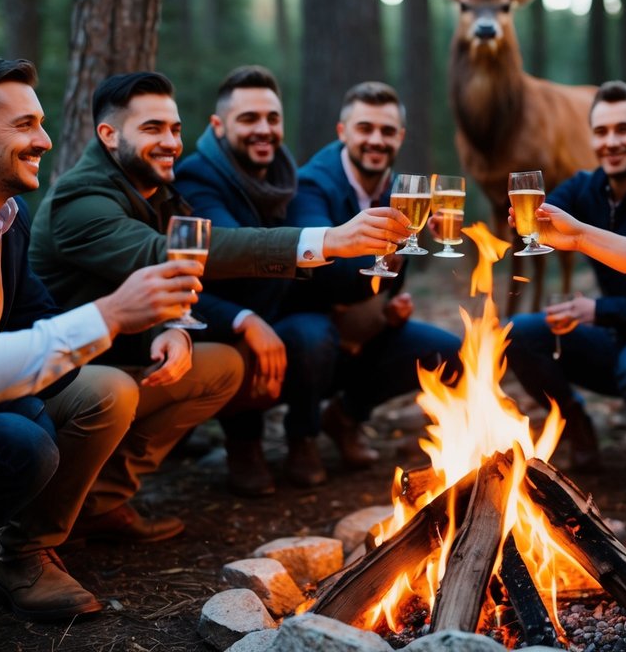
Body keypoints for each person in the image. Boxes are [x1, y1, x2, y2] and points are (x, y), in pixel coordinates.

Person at [0, 29, 203, 621]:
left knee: (108, 388)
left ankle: (35, 550)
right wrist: (111, 314)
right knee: (24, 437)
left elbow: (39, 311)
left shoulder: (10, 210)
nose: (45, 140)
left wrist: (141, 330)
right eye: (25, 125)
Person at [29, 74, 409, 529]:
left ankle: (102, 502)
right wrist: (325, 240)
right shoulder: (82, 197)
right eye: (153, 129)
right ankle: (36, 545)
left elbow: (152, 278)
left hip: (129, 351)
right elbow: (176, 255)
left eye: (174, 129)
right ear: (109, 136)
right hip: (61, 372)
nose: (171, 142)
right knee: (116, 391)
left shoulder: (156, 189)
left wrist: (169, 326)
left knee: (223, 367)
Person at [503, 81, 626, 484]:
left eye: (624, 130)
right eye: (601, 132)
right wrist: (465, 226)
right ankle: (575, 421)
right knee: (519, 333)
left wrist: (597, 311)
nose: (611, 142)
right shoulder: (586, 188)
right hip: (613, 338)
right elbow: (540, 212)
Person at [284, 81, 461, 476]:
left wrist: (390, 305)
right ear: (343, 131)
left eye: (386, 131)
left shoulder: (402, 190)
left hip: (363, 325)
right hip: (308, 323)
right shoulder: (312, 185)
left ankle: (345, 418)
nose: (376, 140)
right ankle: (301, 436)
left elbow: (387, 279)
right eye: (365, 128)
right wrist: (397, 250)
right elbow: (322, 273)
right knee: (311, 336)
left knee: (452, 353)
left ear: (400, 137)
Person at [176, 65, 338, 493]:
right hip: (212, 313)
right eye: (248, 119)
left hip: (277, 310)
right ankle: (242, 444)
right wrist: (245, 318)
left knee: (314, 331)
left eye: (272, 118)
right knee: (241, 335)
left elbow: (316, 246)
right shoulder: (197, 177)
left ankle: (303, 438)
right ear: (219, 125)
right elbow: (229, 251)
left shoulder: (289, 178)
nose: (263, 130)